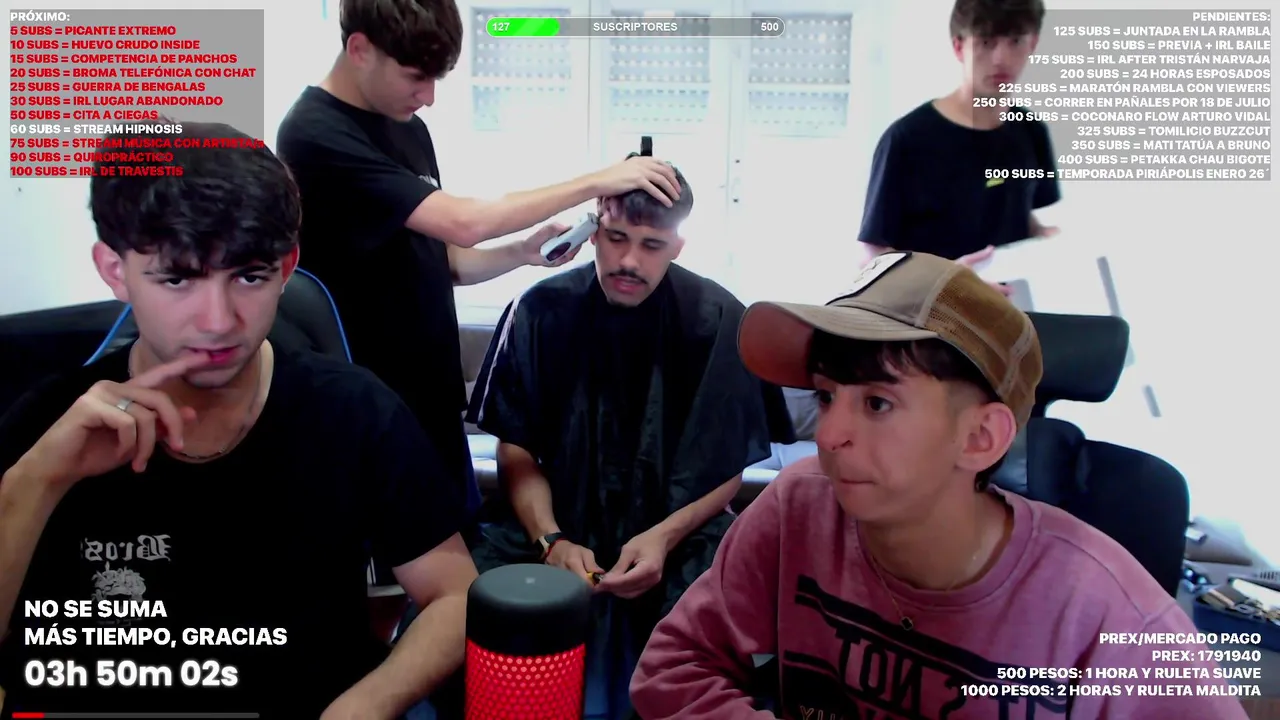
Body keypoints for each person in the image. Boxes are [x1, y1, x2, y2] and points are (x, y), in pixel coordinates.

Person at [630, 251, 1249, 720]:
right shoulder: (799, 505)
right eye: (826, 396)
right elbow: (674, 667)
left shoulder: (1115, 621)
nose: (830, 435)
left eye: (877, 403)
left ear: (979, 437)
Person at [0, 122, 478, 720]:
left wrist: (363, 707)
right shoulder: (48, 425)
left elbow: (455, 595)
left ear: (286, 267)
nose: (218, 321)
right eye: (178, 279)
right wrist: (37, 480)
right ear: (115, 270)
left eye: (249, 276)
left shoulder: (356, 413)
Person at [275, 0, 681, 519]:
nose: (429, 97)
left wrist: (522, 252)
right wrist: (598, 180)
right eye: (417, 78)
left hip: (431, 395)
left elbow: (448, 261)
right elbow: (462, 221)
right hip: (366, 403)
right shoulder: (314, 133)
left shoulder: (406, 125)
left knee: (459, 543)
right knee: (402, 560)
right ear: (360, 49)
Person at [465, 160, 790, 720]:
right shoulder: (539, 310)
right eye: (616, 238)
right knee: (469, 613)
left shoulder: (719, 320)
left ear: (678, 246)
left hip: (679, 535)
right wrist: (551, 540)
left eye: (651, 245)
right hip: (554, 527)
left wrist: (662, 538)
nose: (629, 261)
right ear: (593, 230)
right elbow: (515, 447)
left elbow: (726, 466)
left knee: (735, 644)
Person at [858, 0, 1061, 269]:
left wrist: (1046, 239)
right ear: (958, 47)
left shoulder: (1031, 131)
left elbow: (1015, 215)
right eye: (986, 42)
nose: (1001, 59)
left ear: (1032, 44)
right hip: (935, 297)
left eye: (1015, 41)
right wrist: (948, 281)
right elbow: (873, 253)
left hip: (1013, 295)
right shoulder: (908, 139)